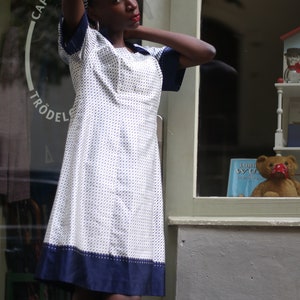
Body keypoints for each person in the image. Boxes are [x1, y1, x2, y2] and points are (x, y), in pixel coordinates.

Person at [35, 0, 215, 299]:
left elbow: (205, 52)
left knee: (128, 290)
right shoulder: (86, 48)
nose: (132, 3)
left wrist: (139, 30)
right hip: (95, 171)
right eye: (118, 0)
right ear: (94, 12)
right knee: (95, 280)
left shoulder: (153, 60)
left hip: (138, 179)